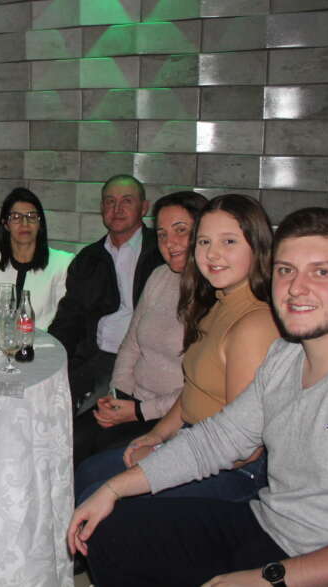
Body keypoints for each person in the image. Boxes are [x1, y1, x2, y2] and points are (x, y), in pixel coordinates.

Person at [68, 208, 328, 587]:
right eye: (286, 270)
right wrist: (113, 488)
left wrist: (266, 579)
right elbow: (218, 439)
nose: (296, 288)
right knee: (109, 530)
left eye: (321, 272)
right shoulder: (286, 354)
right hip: (271, 525)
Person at [74, 193, 279, 505]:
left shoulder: (252, 323)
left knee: (98, 489)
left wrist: (159, 448)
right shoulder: (218, 303)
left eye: (228, 241)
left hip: (228, 467)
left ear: (258, 244)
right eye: (205, 242)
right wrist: (138, 416)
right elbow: (187, 386)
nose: (213, 253)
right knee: (82, 462)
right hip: (183, 431)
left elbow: (242, 445)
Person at [72, 191, 207, 466]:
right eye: (162, 234)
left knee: (96, 465)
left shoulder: (213, 294)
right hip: (132, 401)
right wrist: (117, 394)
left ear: (203, 233)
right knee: (66, 441)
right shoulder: (159, 276)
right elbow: (131, 343)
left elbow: (201, 388)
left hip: (170, 418)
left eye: (181, 230)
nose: (170, 243)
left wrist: (139, 411)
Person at [49, 175, 163, 412]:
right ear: (102, 208)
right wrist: (49, 358)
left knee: (90, 419)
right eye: (110, 201)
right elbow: (69, 318)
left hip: (144, 361)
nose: (117, 209)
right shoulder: (88, 258)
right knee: (50, 405)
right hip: (97, 356)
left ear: (144, 208)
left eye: (127, 201)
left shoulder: (161, 252)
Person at [0, 187, 73, 329]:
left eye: (31, 216)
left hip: (42, 342)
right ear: (6, 224)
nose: (25, 223)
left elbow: (62, 322)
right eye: (16, 217)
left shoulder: (61, 263)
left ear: (40, 223)